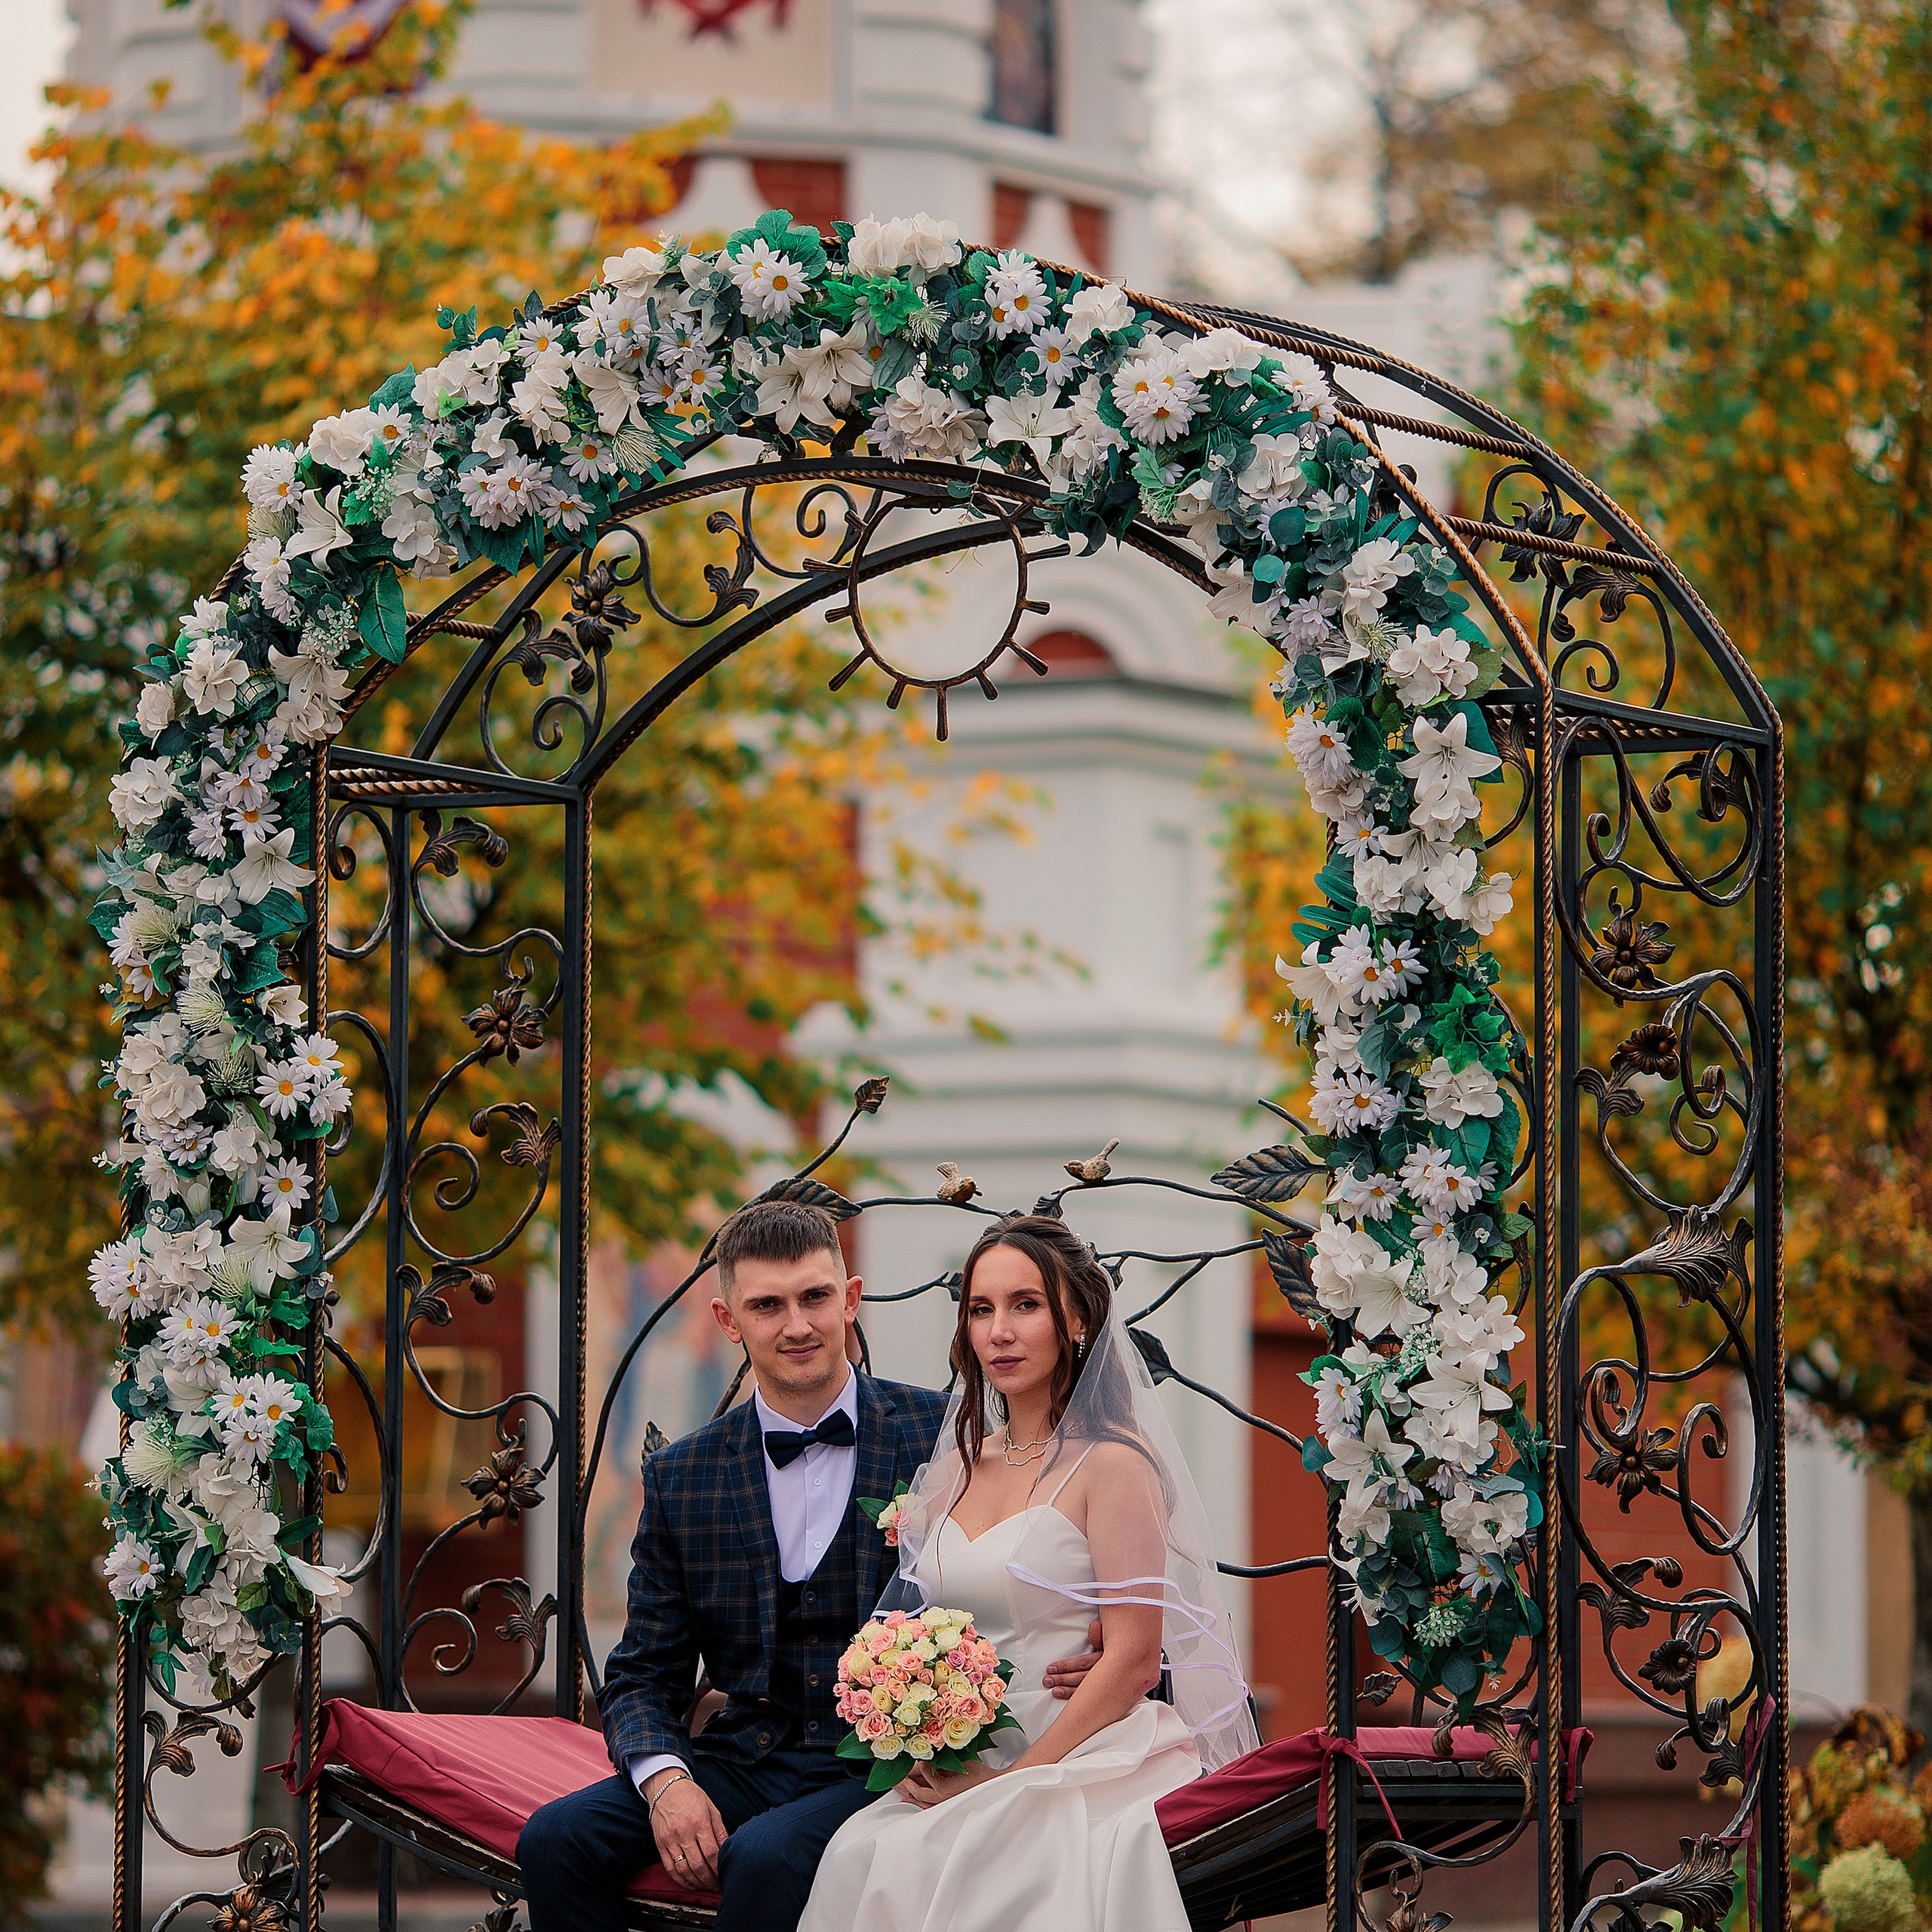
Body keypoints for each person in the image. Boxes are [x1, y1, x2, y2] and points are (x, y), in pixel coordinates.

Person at [515, 1198, 1103, 1932]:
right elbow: (641, 1673)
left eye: (815, 1297)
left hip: (885, 1759)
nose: (796, 1325)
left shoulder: (949, 1437)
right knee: (555, 1837)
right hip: (739, 1757)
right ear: (729, 1321)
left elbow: (1049, 1552)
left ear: (849, 1299)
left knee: (763, 1857)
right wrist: (667, 1781)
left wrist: (1097, 1627)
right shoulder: (683, 1476)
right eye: (767, 1305)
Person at [798, 1213, 1259, 1932]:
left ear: (1075, 1320)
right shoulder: (953, 1470)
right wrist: (923, 1732)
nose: (999, 1332)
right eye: (981, 1310)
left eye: (1026, 1305)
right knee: (862, 1852)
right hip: (968, 1750)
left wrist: (1015, 1781)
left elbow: (1135, 1657)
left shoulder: (1112, 1464)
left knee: (983, 1862)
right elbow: (917, 1625)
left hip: (1078, 1749)